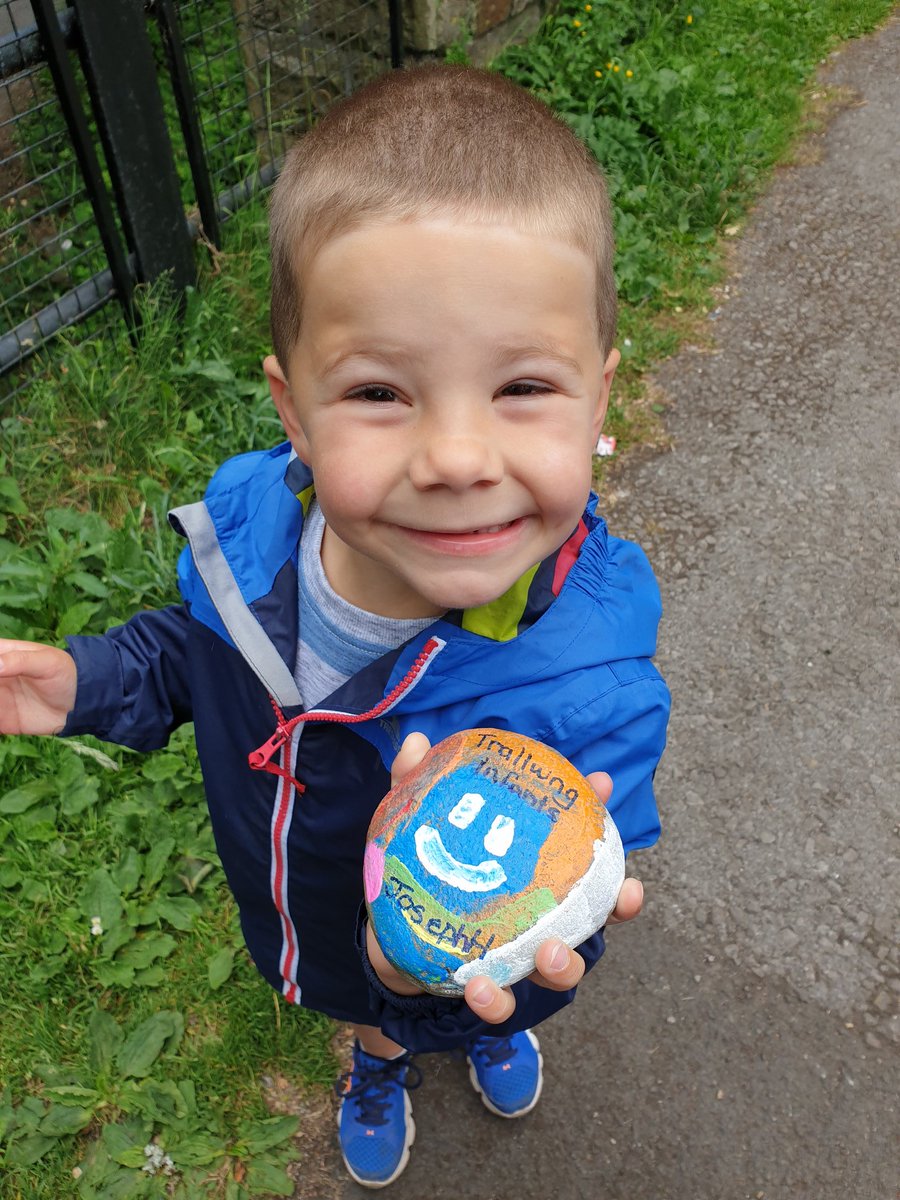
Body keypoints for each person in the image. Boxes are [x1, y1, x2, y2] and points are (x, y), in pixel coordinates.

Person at [0, 66, 670, 1188]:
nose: (458, 457)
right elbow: (196, 651)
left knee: (445, 984)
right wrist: (79, 679)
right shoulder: (254, 542)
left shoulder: (587, 692)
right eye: (378, 393)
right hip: (300, 902)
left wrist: (446, 974)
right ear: (292, 409)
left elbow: (571, 901)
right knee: (357, 1006)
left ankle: (472, 1028)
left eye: (522, 389)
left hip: (455, 942)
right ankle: (375, 1059)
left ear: (600, 398)